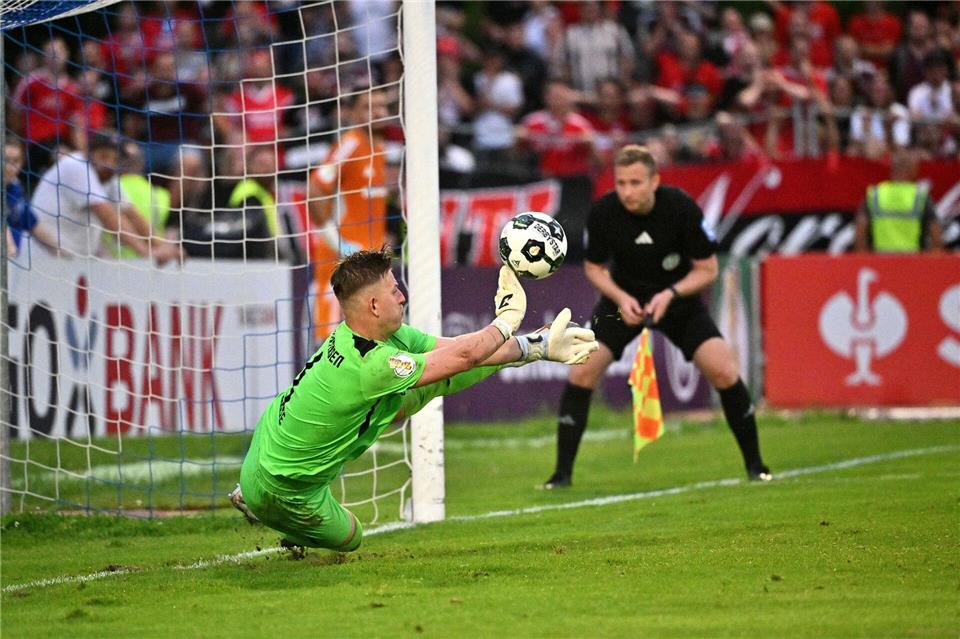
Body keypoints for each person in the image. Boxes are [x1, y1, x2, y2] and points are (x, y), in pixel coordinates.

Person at [230, 248, 599, 551]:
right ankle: (268, 514)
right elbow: (463, 358)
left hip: (266, 443)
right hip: (287, 490)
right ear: (373, 306)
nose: (402, 295)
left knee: (420, 388)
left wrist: (533, 346)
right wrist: (506, 321)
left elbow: (455, 352)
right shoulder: (370, 365)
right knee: (351, 539)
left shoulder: (372, 336)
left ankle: (249, 492)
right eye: (393, 291)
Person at [543, 145, 772, 489]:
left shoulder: (680, 208)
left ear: (655, 181)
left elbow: (707, 269)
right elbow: (593, 268)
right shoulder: (604, 212)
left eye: (635, 183)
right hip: (622, 302)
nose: (627, 191)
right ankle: (561, 477)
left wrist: (671, 294)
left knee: (724, 371)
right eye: (621, 183)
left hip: (677, 301)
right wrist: (621, 298)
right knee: (581, 372)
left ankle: (757, 467)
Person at [307, 89, 389, 343]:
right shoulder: (351, 144)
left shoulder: (378, 148)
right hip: (341, 262)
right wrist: (337, 242)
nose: (377, 112)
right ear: (353, 113)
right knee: (332, 346)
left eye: (381, 106)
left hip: (368, 261)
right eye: (368, 106)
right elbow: (315, 188)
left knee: (368, 343)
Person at [30, 129, 180, 263]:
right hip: (42, 256)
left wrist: (164, 248)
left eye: (115, 159)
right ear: (88, 153)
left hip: (71, 260)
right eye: (103, 156)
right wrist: (147, 253)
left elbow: (131, 214)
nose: (108, 163)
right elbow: (109, 217)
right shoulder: (76, 166)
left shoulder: (109, 178)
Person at [854, 150, 943, 253]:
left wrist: (866, 263)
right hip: (913, 265)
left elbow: (860, 235)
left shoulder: (874, 194)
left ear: (892, 169)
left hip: (880, 264)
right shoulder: (920, 196)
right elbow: (936, 239)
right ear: (913, 170)